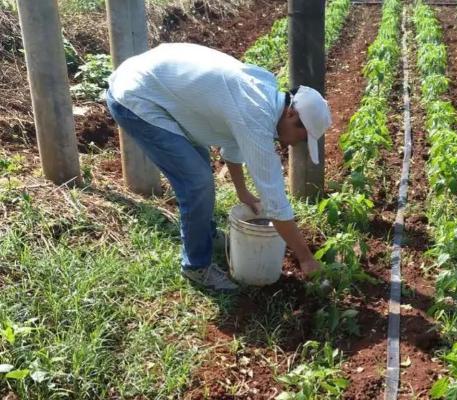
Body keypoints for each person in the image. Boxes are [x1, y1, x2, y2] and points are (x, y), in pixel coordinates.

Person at [106, 43, 332, 292]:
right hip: (136, 96)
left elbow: (233, 142)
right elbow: (275, 201)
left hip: (157, 88)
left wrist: (242, 191)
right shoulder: (256, 115)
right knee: (197, 182)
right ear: (291, 114)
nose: (297, 143)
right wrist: (306, 258)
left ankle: (205, 235)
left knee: (199, 175)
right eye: (302, 136)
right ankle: (196, 266)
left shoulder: (265, 93)